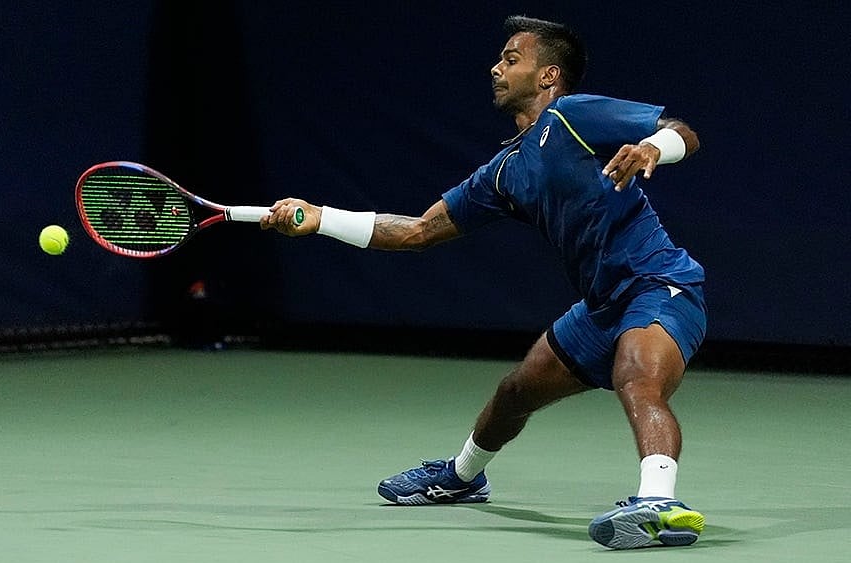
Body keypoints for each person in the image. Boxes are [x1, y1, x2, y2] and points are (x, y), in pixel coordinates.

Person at [261, 15, 707, 550]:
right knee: (515, 393)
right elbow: (419, 231)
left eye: (512, 58)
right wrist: (321, 217)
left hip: (660, 285)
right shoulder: (503, 171)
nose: (496, 67)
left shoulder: (571, 115)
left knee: (637, 376)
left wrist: (656, 147)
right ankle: (462, 476)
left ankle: (659, 503)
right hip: (598, 307)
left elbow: (684, 130)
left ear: (549, 76)